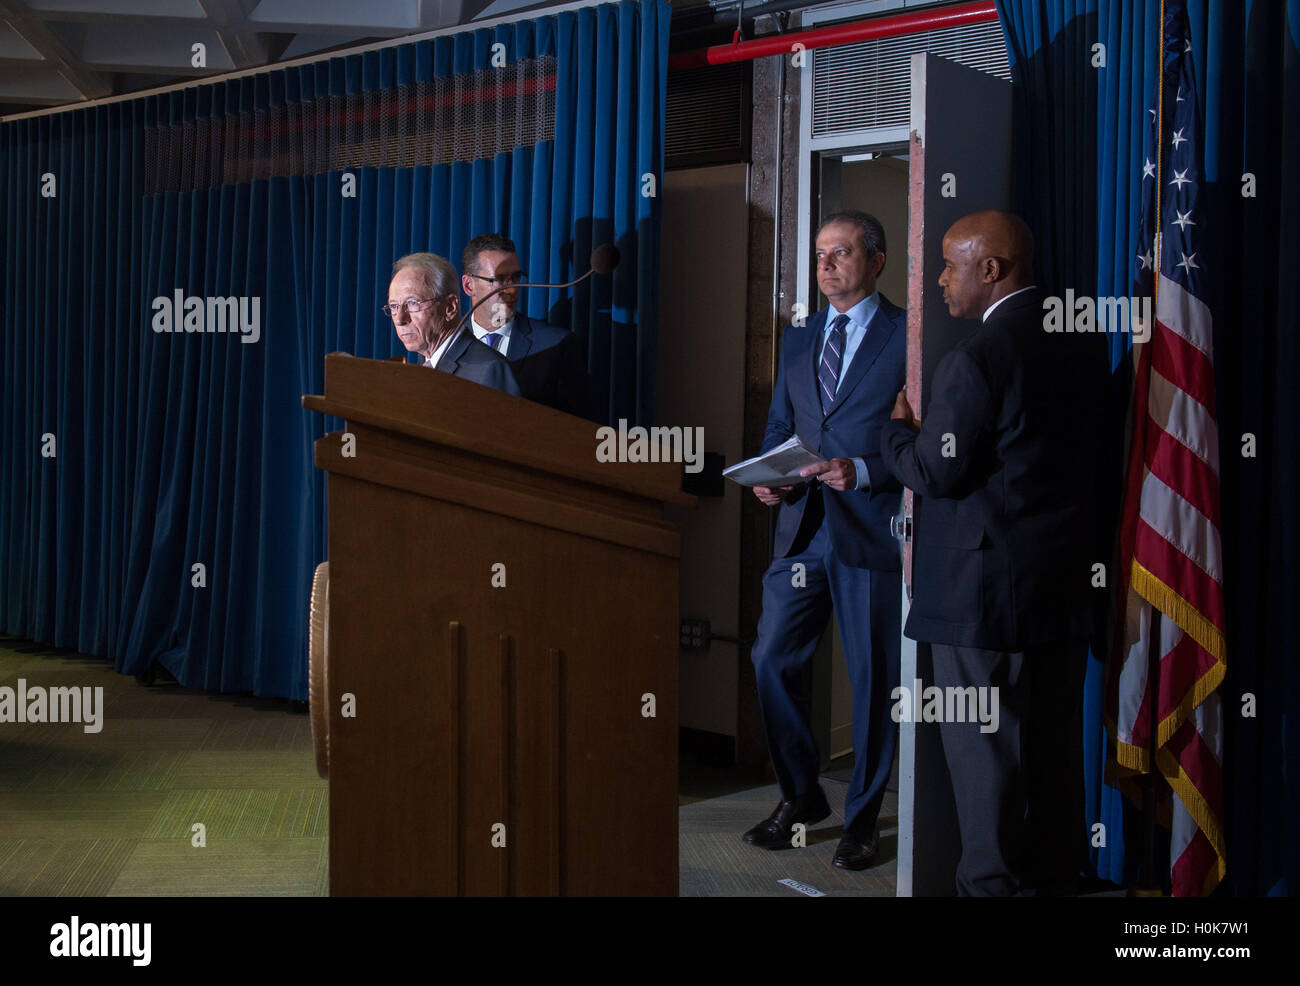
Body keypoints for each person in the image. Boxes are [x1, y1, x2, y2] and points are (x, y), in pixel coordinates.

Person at [879, 210, 1092, 895]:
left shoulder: (975, 357)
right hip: (1058, 589)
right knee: (1054, 751)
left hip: (981, 600)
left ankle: (993, 889)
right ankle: (1055, 880)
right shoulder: (1079, 339)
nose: (939, 280)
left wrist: (893, 436)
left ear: (991, 270)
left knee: (986, 761)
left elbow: (936, 472)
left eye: (949, 265)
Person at [743, 211, 906, 870]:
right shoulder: (800, 335)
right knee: (768, 660)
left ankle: (862, 819)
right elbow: (782, 422)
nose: (827, 264)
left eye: (841, 253)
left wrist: (863, 469)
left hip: (870, 529)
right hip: (803, 528)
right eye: (820, 254)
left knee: (872, 683)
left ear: (876, 260)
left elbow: (926, 438)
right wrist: (770, 477)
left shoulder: (907, 335)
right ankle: (802, 795)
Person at [460, 234, 593, 418]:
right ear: (469, 286)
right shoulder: (447, 344)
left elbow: (576, 427)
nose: (512, 289)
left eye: (516, 277)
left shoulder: (556, 345)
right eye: (499, 279)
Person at [387, 252, 520, 396]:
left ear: (450, 307)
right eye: (394, 306)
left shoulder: (489, 370)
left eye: (413, 303)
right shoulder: (421, 365)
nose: (400, 319)